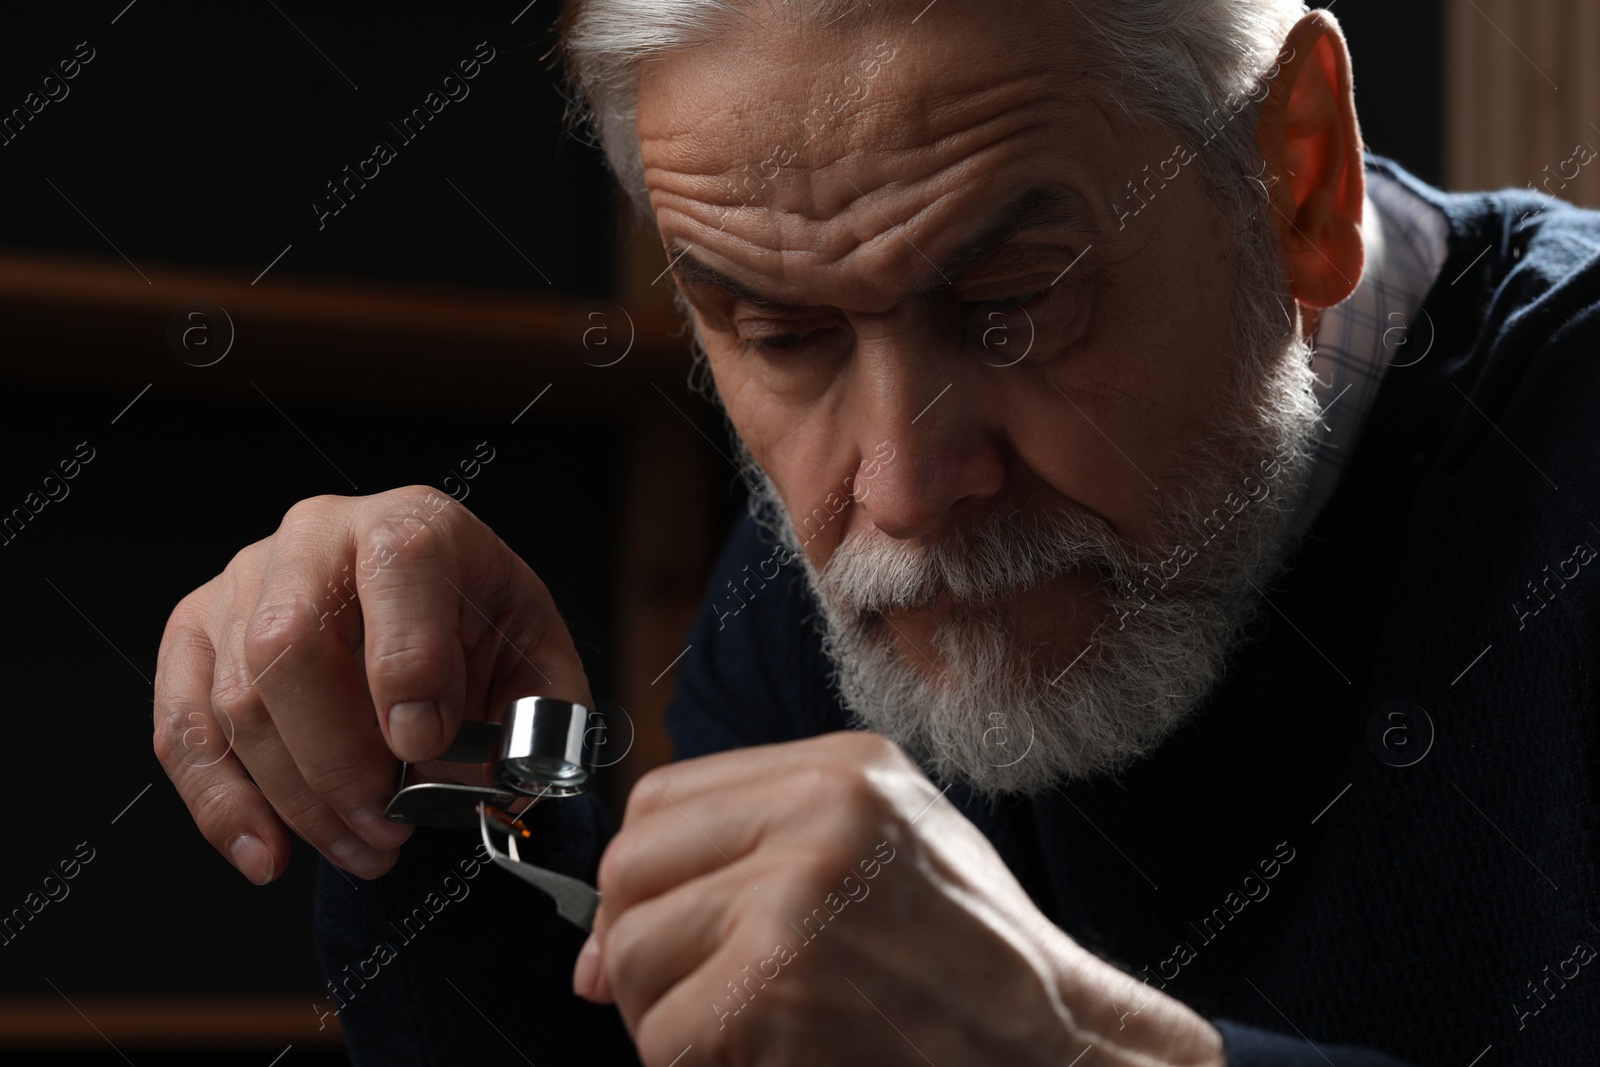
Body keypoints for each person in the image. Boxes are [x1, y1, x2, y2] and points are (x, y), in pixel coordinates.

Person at [153, 1, 1600, 1064]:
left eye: (1015, 308)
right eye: (778, 333)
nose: (900, 493)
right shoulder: (835, 586)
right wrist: (464, 812)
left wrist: (1086, 1056)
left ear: (1295, 177)